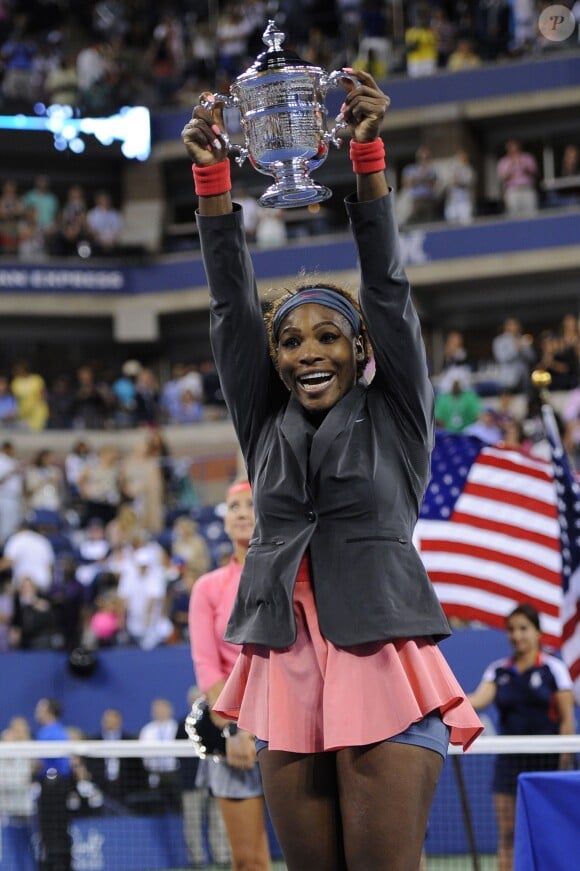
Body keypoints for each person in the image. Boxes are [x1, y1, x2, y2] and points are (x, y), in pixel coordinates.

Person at [182, 68, 482, 871]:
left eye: (327, 337)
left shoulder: (397, 415)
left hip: (379, 657)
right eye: (290, 340)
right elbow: (227, 306)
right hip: (284, 664)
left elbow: (386, 287)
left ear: (360, 351)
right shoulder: (263, 418)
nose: (307, 351)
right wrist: (213, 177)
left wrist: (368, 156)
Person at [189, 479, 271, 871]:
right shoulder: (206, 588)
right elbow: (208, 666)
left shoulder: (292, 577)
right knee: (249, 863)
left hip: (293, 728)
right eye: (234, 505)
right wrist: (237, 731)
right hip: (234, 734)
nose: (241, 512)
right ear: (224, 521)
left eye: (250, 504)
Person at [467, 604, 576, 871]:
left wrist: (563, 763)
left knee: (552, 833)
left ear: (538, 633)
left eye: (524, 629)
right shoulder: (498, 671)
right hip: (509, 765)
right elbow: (478, 699)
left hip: (548, 765)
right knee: (507, 836)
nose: (517, 636)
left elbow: (567, 719)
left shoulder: (554, 669)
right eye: (512, 630)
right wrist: (445, 702)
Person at [177, 685, 231, 868]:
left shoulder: (217, 722)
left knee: (218, 819)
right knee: (192, 822)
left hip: (216, 780)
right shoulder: (182, 725)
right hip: (191, 783)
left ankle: (222, 856)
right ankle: (197, 860)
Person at [34, 698, 74, 871]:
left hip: (53, 787)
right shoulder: (54, 731)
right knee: (55, 829)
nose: (36, 711)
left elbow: (38, 762)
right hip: (56, 785)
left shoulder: (50, 732)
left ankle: (58, 865)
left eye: (40, 707)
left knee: (53, 828)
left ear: (48, 711)